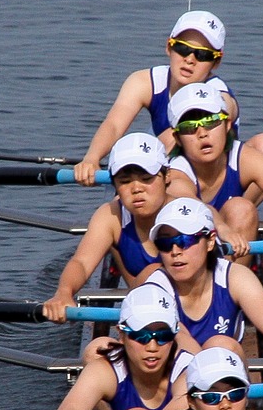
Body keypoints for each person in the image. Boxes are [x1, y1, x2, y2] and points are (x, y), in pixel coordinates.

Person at [72, 11, 263, 201]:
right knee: (163, 142)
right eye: (182, 48)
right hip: (176, 177)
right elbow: (114, 125)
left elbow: (227, 107)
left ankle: (236, 211)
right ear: (168, 47)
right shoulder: (143, 82)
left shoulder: (219, 94)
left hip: (215, 180)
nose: (190, 60)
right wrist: (92, 158)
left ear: (216, 62)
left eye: (203, 54)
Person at [144, 197, 263, 369]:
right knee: (218, 345)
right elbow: (182, 340)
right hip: (177, 379)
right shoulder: (155, 288)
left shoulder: (233, 277)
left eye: (185, 240)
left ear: (210, 241)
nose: (175, 251)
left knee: (222, 345)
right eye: (165, 243)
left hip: (224, 379)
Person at [41, 133, 196, 322]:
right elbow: (81, 262)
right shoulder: (111, 215)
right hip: (147, 319)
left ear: (167, 176)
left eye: (146, 178)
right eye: (125, 181)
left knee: (154, 271)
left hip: (192, 311)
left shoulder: (187, 214)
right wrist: (64, 293)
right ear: (114, 183)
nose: (136, 189)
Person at [163, 82, 263, 257]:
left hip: (230, 236)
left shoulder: (245, 159)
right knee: (239, 209)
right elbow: (200, 209)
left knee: (241, 209)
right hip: (188, 250)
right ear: (177, 138)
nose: (202, 133)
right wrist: (223, 229)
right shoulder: (175, 175)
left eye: (211, 122)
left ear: (227, 125)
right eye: (189, 127)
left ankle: (242, 260)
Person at [46, 284, 195, 410]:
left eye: (163, 336)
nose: (152, 347)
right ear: (122, 335)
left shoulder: (189, 370)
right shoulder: (106, 370)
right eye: (140, 336)